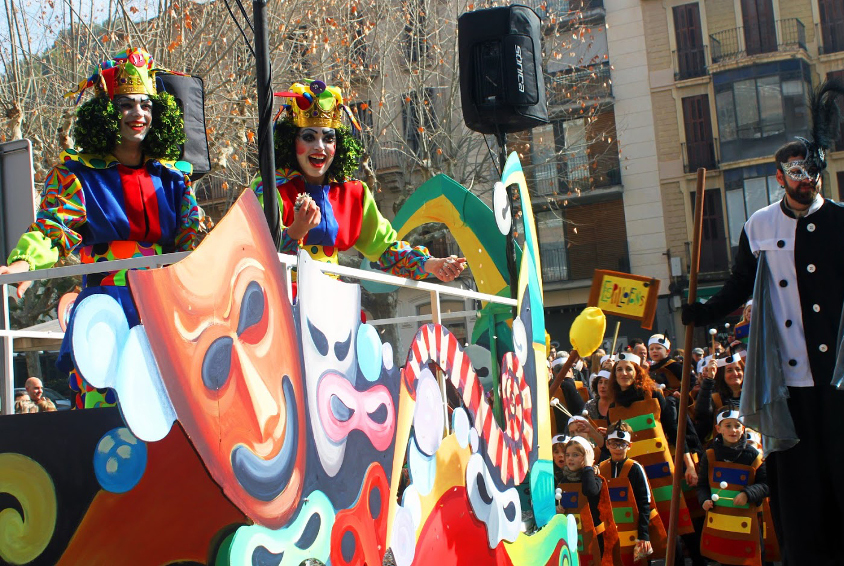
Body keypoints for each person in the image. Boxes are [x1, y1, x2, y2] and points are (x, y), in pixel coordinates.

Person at [681, 78, 844, 566]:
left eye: (811, 169)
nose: (806, 178)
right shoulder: (759, 226)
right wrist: (703, 311)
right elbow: (737, 288)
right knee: (797, 478)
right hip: (789, 380)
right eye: (795, 170)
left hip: (838, 378)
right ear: (779, 177)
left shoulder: (841, 221)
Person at [0, 48, 199, 409]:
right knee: (105, 403)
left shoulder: (173, 180)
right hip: (105, 305)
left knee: (166, 404)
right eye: (126, 104)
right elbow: (53, 228)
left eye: (146, 105)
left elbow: (196, 243)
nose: (138, 114)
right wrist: (25, 263)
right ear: (106, 112)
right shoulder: (78, 175)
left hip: (160, 304)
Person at [253, 79, 464, 286]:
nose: (320, 147)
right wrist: (296, 231)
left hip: (330, 302)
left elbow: (386, 250)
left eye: (328, 138)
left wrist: (432, 264)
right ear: (291, 141)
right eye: (309, 137)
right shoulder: (271, 189)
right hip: (281, 303)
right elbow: (258, 254)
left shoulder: (351, 193)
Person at [606, 353, 705, 565]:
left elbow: (676, 433)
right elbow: (612, 446)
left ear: (637, 372)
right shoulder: (613, 409)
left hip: (662, 472)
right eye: (619, 370)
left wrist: (689, 467)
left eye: (628, 369)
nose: (624, 373)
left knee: (676, 524)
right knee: (644, 526)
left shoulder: (655, 395)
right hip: (634, 476)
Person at [697, 408, 769, 566]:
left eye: (737, 425)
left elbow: (765, 483)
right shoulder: (709, 455)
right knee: (726, 560)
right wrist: (704, 500)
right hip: (722, 521)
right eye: (727, 425)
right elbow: (702, 485)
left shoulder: (754, 456)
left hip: (747, 522)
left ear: (743, 428)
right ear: (718, 429)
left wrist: (747, 494)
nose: (733, 430)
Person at [599, 420, 667, 564]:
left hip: (633, 529)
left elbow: (645, 503)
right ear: (607, 444)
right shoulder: (601, 468)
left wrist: (643, 534)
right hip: (611, 530)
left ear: (629, 446)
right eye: (613, 443)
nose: (617, 448)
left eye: (622, 444)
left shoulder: (635, 468)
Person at [555, 436, 611, 566]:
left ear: (586, 456)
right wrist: (557, 509)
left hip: (594, 538)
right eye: (567, 454)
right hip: (573, 538)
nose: (569, 458)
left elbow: (589, 491)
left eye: (575, 455)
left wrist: (587, 467)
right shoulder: (563, 483)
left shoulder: (595, 479)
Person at [694, 351, 744, 443]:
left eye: (738, 369)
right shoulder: (716, 399)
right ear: (721, 374)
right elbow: (702, 413)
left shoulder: (751, 396)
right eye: (729, 370)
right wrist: (709, 379)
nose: (735, 373)